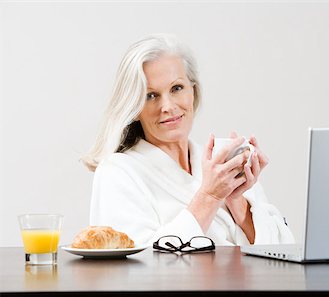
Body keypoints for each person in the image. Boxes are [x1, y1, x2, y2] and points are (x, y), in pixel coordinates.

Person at [82, 34, 294, 246]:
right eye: (151, 96)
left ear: (193, 91)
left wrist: (236, 202)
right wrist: (209, 196)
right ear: (134, 107)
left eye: (176, 88)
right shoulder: (118, 172)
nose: (168, 106)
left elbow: (283, 248)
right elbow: (137, 264)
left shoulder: (222, 167)